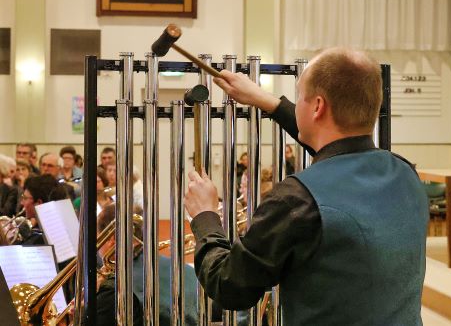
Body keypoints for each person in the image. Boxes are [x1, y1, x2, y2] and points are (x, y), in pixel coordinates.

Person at [185, 47, 429, 325]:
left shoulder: (296, 199)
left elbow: (229, 287)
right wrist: (267, 101)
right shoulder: (406, 173)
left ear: (317, 106)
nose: (297, 102)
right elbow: (337, 148)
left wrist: (205, 217)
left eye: (300, 95)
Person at [89, 203, 199, 326]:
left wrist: (86, 308)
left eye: (97, 234)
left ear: (112, 238)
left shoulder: (113, 290)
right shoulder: (187, 270)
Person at [20, 174, 69, 244]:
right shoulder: (63, 225)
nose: (22, 203)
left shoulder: (40, 238)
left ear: (39, 203)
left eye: (25, 198)